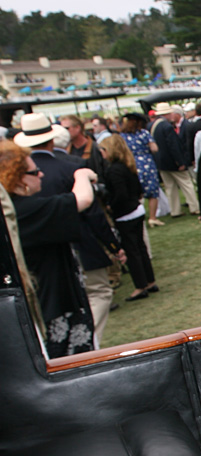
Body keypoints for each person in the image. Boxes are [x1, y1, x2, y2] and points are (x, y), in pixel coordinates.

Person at [15, 113, 124, 346]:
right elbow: (89, 208)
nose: (40, 175)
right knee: (97, 294)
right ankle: (86, 345)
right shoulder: (71, 169)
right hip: (74, 251)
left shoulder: (19, 199)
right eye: (35, 173)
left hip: (51, 268)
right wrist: (113, 245)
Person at [0, 140, 97, 358]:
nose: (41, 175)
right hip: (54, 306)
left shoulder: (21, 209)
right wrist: (81, 175)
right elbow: (83, 199)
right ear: (16, 178)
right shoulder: (25, 211)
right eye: (34, 172)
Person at [98, 135, 158, 302]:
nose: (101, 153)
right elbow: (137, 189)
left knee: (133, 251)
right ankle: (150, 281)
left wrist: (110, 205)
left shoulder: (114, 170)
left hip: (125, 214)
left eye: (103, 150)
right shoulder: (127, 165)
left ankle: (141, 286)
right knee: (140, 248)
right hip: (136, 209)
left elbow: (120, 194)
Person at [151, 102, 199, 217]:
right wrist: (180, 162)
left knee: (170, 187)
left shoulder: (152, 125)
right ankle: (194, 207)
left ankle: (175, 210)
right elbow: (173, 146)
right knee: (186, 184)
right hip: (172, 162)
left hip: (161, 162)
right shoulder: (166, 126)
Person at [120, 112, 163, 227]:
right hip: (146, 162)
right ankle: (153, 217)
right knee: (152, 192)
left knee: (136, 191)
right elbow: (154, 148)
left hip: (131, 163)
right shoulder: (144, 133)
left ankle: (139, 216)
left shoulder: (122, 136)